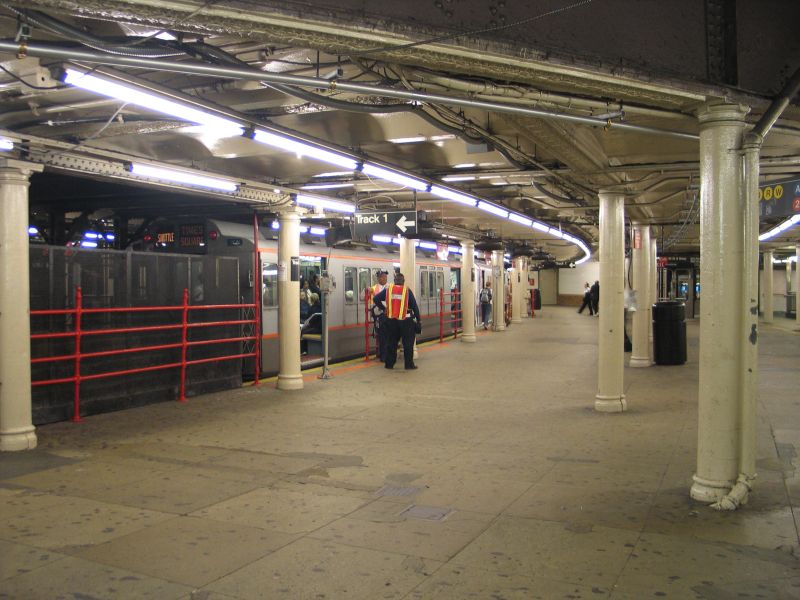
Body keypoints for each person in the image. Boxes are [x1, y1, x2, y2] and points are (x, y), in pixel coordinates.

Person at [373, 272, 421, 370]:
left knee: (391, 343)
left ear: (394, 281)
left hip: (392, 320)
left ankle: (389, 364)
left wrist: (384, 308)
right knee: (408, 344)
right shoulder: (407, 291)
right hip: (406, 320)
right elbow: (415, 307)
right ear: (403, 281)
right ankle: (408, 365)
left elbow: (376, 298)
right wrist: (419, 320)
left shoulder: (389, 290)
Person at [370, 270, 389, 361]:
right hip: (379, 315)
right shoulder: (373, 288)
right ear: (378, 278)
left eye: (385, 276)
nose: (384, 278)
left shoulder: (390, 287)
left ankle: (386, 355)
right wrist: (366, 290)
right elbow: (362, 297)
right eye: (381, 277)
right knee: (382, 336)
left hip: (389, 314)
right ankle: (383, 356)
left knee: (388, 336)